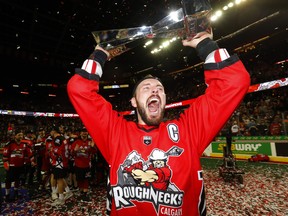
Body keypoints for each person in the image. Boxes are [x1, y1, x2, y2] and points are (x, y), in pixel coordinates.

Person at [67, 29, 250, 215]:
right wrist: (100, 54)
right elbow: (78, 89)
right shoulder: (116, 132)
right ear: (134, 102)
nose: (154, 91)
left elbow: (234, 81)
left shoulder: (187, 131)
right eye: (146, 88)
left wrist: (205, 45)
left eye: (159, 89)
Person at [2, 129, 36, 202]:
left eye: (21, 135)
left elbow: (30, 153)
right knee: (8, 180)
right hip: (11, 166)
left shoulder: (25, 144)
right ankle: (7, 195)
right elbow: (5, 155)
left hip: (20, 166)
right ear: (15, 136)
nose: (21, 136)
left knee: (18, 179)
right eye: (19, 135)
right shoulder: (10, 144)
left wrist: (32, 161)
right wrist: (6, 164)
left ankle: (16, 193)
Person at [70, 127, 97, 202]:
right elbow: (71, 154)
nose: (84, 133)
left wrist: (92, 147)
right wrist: (74, 151)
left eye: (85, 131)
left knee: (86, 180)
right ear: (80, 133)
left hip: (87, 165)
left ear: (87, 133)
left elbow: (94, 152)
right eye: (82, 131)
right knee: (79, 180)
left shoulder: (90, 141)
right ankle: (82, 193)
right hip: (78, 165)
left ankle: (85, 194)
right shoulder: (76, 142)